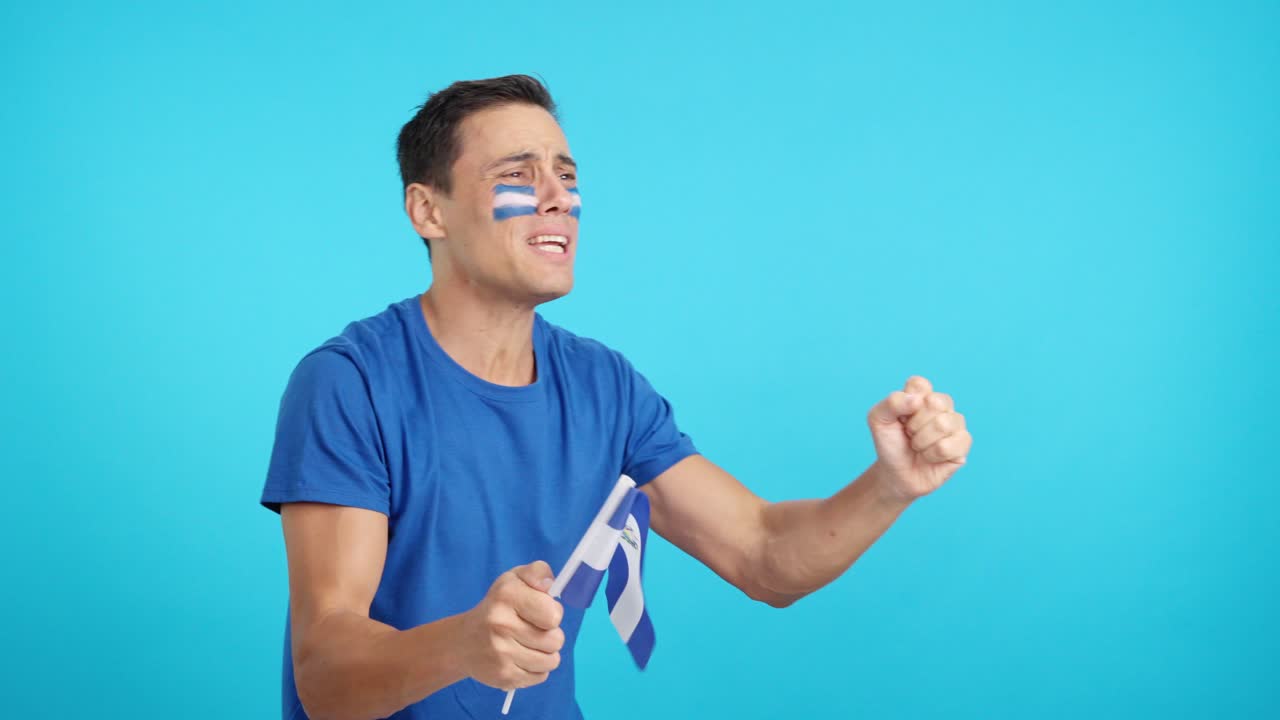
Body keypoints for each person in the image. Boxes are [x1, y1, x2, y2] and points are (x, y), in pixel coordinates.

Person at [260, 74, 973, 720]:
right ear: (428, 211)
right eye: (518, 173)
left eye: (566, 174)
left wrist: (891, 485)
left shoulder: (607, 389)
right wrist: (463, 647)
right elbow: (325, 673)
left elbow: (762, 555)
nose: (557, 196)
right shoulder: (348, 383)